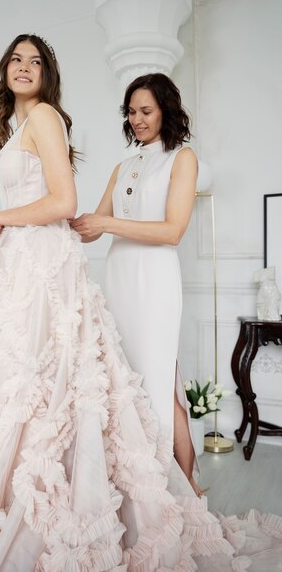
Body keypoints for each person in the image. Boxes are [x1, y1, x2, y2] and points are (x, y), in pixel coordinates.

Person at [0, 37, 281, 572]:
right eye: (16, 59)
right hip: (77, 266)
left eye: (35, 61)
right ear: (4, 69)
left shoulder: (63, 123)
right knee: (85, 385)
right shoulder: (108, 159)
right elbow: (76, 216)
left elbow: (105, 212)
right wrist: (72, 231)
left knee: (142, 384)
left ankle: (181, 488)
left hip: (145, 275)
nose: (24, 67)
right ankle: (165, 485)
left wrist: (4, 220)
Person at [71, 73, 200, 495]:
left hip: (156, 282)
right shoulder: (122, 166)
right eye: (131, 111)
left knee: (159, 379)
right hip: (120, 278)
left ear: (166, 109)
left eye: (146, 110)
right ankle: (141, 487)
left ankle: (184, 490)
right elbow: (93, 227)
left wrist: (106, 222)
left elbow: (172, 231)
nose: (138, 119)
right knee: (127, 381)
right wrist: (56, 219)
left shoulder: (181, 158)